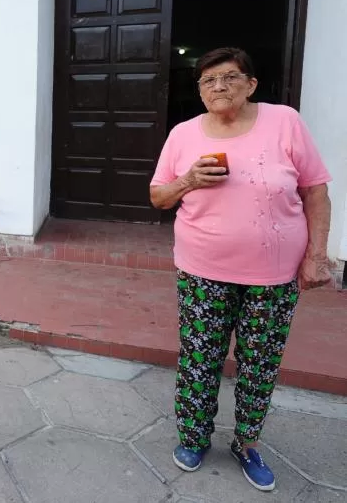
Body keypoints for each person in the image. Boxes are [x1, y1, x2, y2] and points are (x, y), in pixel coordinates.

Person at [149, 47, 332, 492]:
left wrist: (316, 256)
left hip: (273, 274)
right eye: (209, 81)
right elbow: (159, 197)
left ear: (251, 85)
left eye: (230, 78)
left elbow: (315, 193)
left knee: (260, 362)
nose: (219, 87)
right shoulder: (184, 135)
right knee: (199, 358)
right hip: (202, 270)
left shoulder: (284, 121)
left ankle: (248, 443)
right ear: (200, 92)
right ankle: (194, 437)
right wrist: (188, 180)